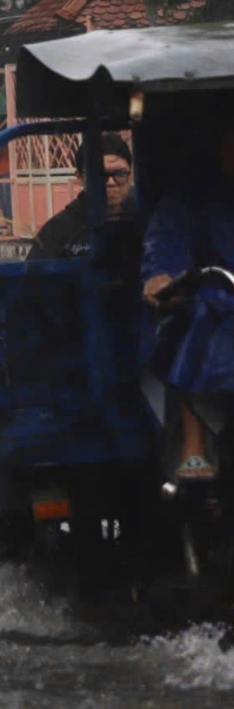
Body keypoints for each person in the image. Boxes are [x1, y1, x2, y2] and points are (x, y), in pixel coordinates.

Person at [141, 130, 234, 483]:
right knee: (196, 326)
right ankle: (194, 448)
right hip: (215, 302)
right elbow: (165, 246)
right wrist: (162, 278)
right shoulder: (190, 199)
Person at [27, 135, 137, 261]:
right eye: (100, 175)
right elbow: (33, 278)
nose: (111, 182)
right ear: (79, 177)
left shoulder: (144, 219)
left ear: (131, 175)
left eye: (120, 174)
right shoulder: (59, 231)